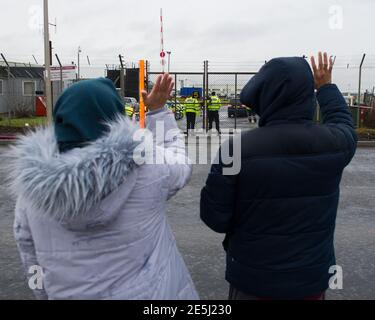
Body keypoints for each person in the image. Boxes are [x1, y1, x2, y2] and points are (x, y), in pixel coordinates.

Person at [8, 75, 199, 300]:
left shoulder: (31, 191)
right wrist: (157, 112)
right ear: (116, 117)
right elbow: (181, 164)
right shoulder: (148, 166)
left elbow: (30, 255)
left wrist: (46, 294)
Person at [200, 52, 357, 300]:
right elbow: (344, 122)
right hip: (311, 282)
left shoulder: (236, 150)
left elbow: (214, 218)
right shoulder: (335, 143)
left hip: (253, 281)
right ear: (308, 96)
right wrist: (326, 87)